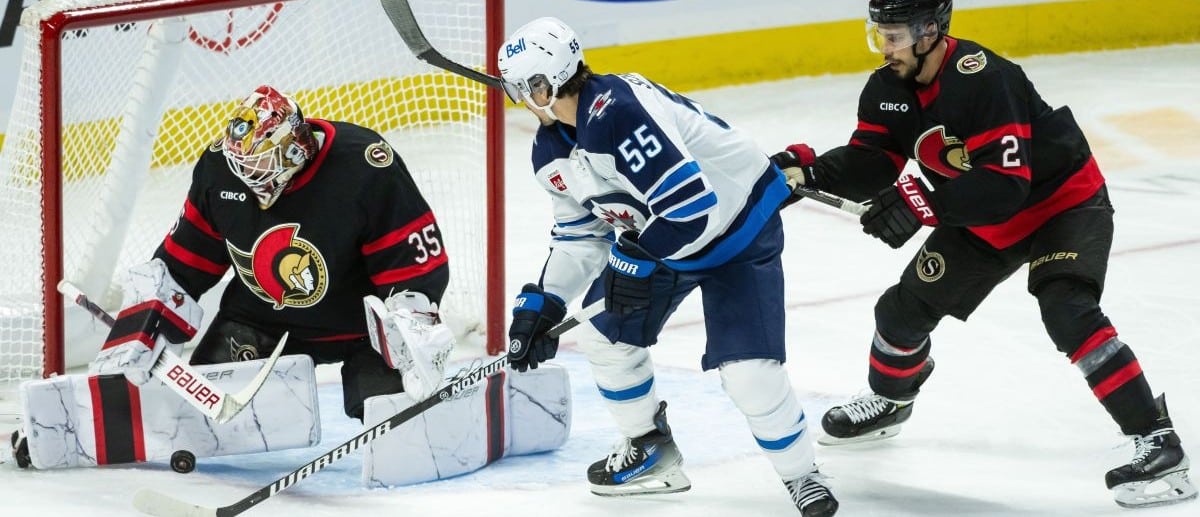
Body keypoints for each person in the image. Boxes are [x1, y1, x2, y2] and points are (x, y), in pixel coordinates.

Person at [771, 0, 1196, 508]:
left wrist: (924, 201)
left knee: (1066, 308)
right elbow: (873, 161)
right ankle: (891, 400)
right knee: (900, 313)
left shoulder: (984, 78)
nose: (886, 48)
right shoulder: (887, 88)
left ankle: (1158, 440)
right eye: (879, 35)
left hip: (1063, 202)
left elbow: (1005, 185)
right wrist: (810, 172)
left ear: (931, 29)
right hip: (982, 212)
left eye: (896, 35)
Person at [497, 17, 838, 517]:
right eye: (515, 90)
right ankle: (651, 451)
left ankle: (803, 476)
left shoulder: (617, 113)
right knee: (604, 336)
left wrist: (630, 259)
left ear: (553, 81)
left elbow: (691, 208)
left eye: (527, 88)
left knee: (749, 375)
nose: (521, 100)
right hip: (663, 240)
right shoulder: (551, 149)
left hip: (736, 230)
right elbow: (579, 238)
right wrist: (543, 302)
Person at [89, 84, 455, 421]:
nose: (246, 175)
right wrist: (144, 328)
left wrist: (414, 333)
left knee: (389, 415)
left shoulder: (364, 166)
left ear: (295, 147)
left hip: (361, 330)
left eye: (258, 164)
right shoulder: (221, 171)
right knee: (199, 413)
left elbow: (411, 265)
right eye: (240, 164)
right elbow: (186, 261)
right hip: (261, 321)